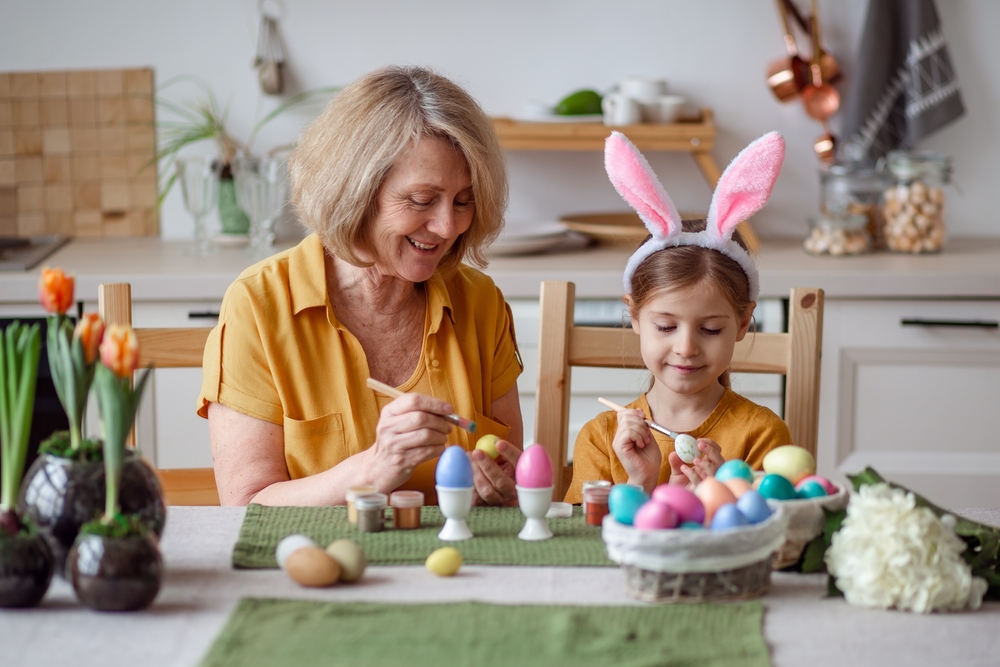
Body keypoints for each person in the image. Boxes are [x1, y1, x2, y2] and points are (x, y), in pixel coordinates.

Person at [198, 66, 524, 507]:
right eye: (422, 200)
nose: (448, 226)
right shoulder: (259, 305)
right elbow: (246, 506)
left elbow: (516, 485)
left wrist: (508, 491)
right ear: (354, 190)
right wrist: (372, 469)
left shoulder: (481, 303)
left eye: (463, 201)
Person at [565, 131, 792, 503]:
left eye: (711, 329)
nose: (686, 348)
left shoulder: (762, 434)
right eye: (666, 326)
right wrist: (640, 484)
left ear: (744, 322)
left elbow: (774, 536)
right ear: (635, 316)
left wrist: (726, 494)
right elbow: (583, 544)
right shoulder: (602, 436)